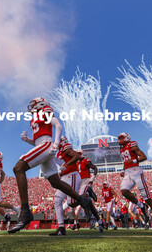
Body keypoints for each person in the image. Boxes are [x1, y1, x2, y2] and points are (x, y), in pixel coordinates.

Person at [9, 98, 93, 233]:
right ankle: (83, 200)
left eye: (33, 104)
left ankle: (25, 211)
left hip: (47, 145)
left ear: (40, 104)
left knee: (18, 168)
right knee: (56, 182)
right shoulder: (35, 118)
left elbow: (58, 126)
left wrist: (55, 143)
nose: (31, 107)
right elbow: (38, 142)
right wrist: (27, 140)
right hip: (42, 146)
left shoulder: (45, 111)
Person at [117, 132, 152, 235]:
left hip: (136, 172)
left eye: (122, 138)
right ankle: (141, 205)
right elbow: (126, 161)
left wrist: (135, 160)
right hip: (128, 173)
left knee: (147, 198)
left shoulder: (132, 144)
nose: (120, 140)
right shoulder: (121, 149)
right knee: (124, 191)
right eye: (119, 138)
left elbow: (143, 157)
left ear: (127, 138)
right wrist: (124, 170)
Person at [52, 136, 103, 236]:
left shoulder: (68, 149)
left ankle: (87, 196)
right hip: (67, 178)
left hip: (76, 179)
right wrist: (60, 173)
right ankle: (61, 228)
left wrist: (91, 180)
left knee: (72, 202)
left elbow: (76, 157)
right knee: (57, 200)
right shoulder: (59, 153)